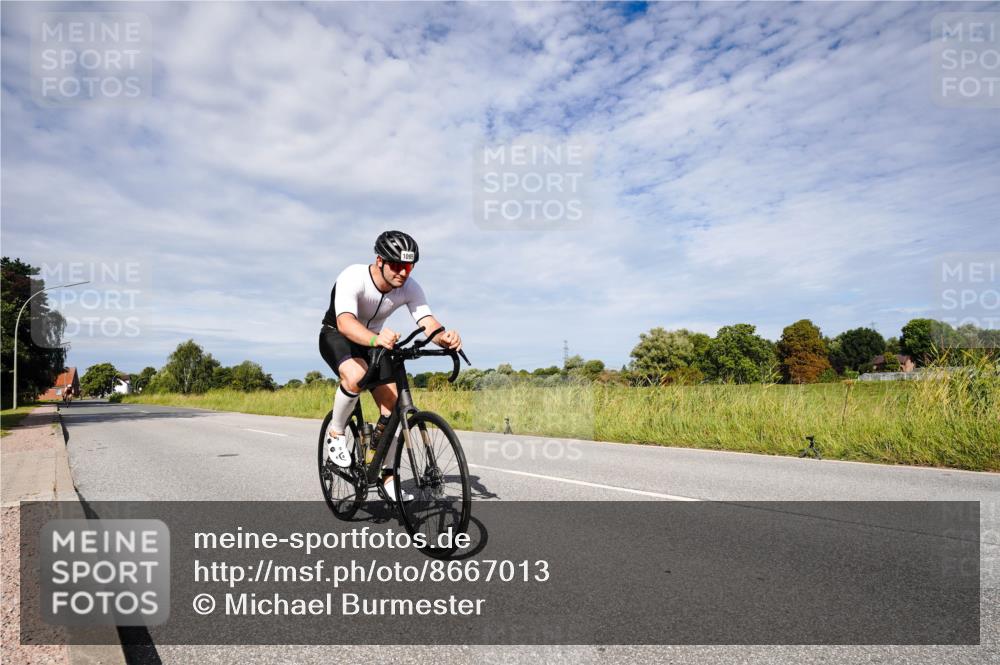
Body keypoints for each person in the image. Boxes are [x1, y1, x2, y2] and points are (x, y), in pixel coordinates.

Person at [318, 230, 462, 502]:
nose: (403, 273)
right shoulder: (353, 276)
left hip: (375, 341)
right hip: (337, 334)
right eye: (396, 265)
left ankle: (387, 476)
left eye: (409, 266)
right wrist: (375, 339)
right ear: (379, 261)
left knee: (394, 406)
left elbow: (427, 322)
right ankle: (336, 433)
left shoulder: (410, 287)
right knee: (356, 376)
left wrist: (444, 337)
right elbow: (345, 322)